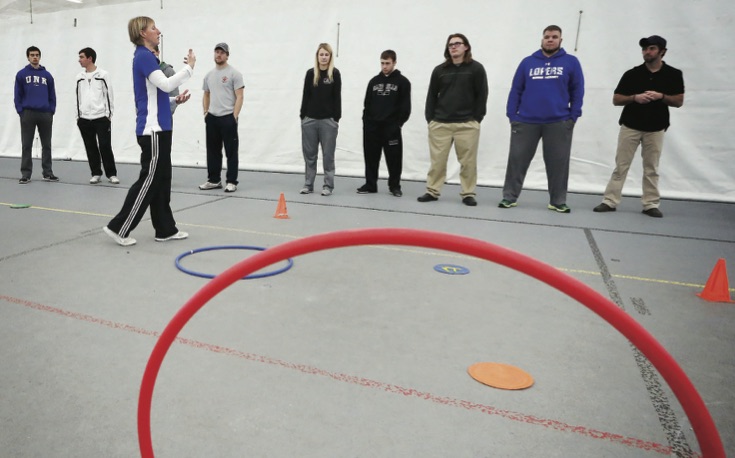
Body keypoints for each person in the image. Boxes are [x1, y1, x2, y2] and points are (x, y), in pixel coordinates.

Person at [103, 16, 194, 247]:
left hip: (161, 127)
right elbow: (164, 84)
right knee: (149, 179)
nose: (158, 31)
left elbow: (157, 93)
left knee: (162, 180)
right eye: (154, 28)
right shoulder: (143, 57)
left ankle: (165, 229)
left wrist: (175, 99)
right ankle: (119, 227)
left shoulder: (149, 58)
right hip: (152, 130)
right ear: (143, 33)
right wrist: (188, 69)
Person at [593, 35, 684, 218]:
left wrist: (661, 96)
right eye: (644, 49)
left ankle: (650, 204)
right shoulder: (632, 74)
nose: (647, 52)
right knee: (621, 165)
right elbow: (616, 99)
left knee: (652, 167)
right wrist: (635, 98)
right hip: (631, 125)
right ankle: (610, 201)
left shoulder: (673, 74)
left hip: (656, 127)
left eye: (651, 48)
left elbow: (679, 101)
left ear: (662, 52)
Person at [499, 25, 585, 213]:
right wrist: (512, 115)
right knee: (517, 160)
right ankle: (509, 197)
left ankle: (557, 201)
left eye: (554, 37)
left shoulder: (571, 62)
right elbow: (516, 90)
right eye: (547, 36)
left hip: (558, 122)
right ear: (542, 39)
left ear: (560, 40)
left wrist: (573, 116)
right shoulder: (527, 62)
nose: (550, 39)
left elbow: (577, 91)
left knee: (558, 164)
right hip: (526, 121)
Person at [419, 33, 488, 206]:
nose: (454, 47)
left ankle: (468, 193)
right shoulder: (440, 71)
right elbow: (431, 96)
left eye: (458, 44)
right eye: (450, 45)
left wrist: (476, 119)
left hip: (467, 125)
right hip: (441, 124)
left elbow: (482, 95)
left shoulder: (476, 69)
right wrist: (431, 120)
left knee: (468, 163)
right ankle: (432, 191)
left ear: (466, 47)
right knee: (437, 162)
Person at [357, 49, 411, 197]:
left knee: (394, 159)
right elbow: (367, 105)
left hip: (391, 128)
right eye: (382, 63)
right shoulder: (374, 82)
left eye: (387, 63)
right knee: (371, 158)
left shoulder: (403, 82)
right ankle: (370, 184)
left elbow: (406, 107)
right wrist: (366, 123)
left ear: (394, 62)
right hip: (372, 128)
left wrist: (397, 124)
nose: (384, 66)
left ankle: (394, 186)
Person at [199, 42, 245, 193]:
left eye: (222, 52)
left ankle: (231, 181)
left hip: (228, 117)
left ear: (227, 55)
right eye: (216, 52)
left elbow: (240, 96)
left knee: (231, 150)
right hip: (212, 117)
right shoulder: (209, 75)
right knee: (212, 150)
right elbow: (206, 94)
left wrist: (234, 116)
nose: (218, 55)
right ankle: (214, 180)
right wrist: (206, 112)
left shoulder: (234, 74)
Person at [299, 43, 341, 196]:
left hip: (328, 121)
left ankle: (328, 186)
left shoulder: (334, 74)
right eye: (321, 54)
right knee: (310, 155)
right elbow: (306, 95)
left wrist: (336, 118)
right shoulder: (311, 74)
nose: (323, 57)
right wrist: (303, 116)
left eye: (326, 54)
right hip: (310, 120)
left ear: (330, 57)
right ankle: (308, 184)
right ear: (317, 56)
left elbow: (337, 97)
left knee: (328, 156)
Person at [14, 46, 58, 184]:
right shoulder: (21, 74)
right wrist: (21, 111)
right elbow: (17, 95)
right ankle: (26, 174)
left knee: (47, 145)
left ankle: (48, 173)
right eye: (32, 55)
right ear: (28, 57)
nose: (35, 57)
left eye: (37, 55)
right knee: (26, 144)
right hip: (28, 113)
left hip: (45, 113)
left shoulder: (47, 75)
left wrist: (51, 110)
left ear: (40, 57)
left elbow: (52, 95)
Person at [75, 47, 119, 185]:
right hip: (84, 118)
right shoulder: (79, 78)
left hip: (101, 117)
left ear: (90, 58)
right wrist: (78, 116)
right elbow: (77, 97)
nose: (79, 60)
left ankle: (111, 174)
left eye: (82, 57)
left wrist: (108, 115)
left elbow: (109, 95)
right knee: (90, 146)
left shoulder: (103, 75)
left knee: (105, 145)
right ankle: (95, 173)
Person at [153, 45, 180, 113]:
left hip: (164, 116)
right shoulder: (144, 72)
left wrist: (167, 113)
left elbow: (174, 95)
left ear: (158, 52)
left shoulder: (169, 72)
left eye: (153, 52)